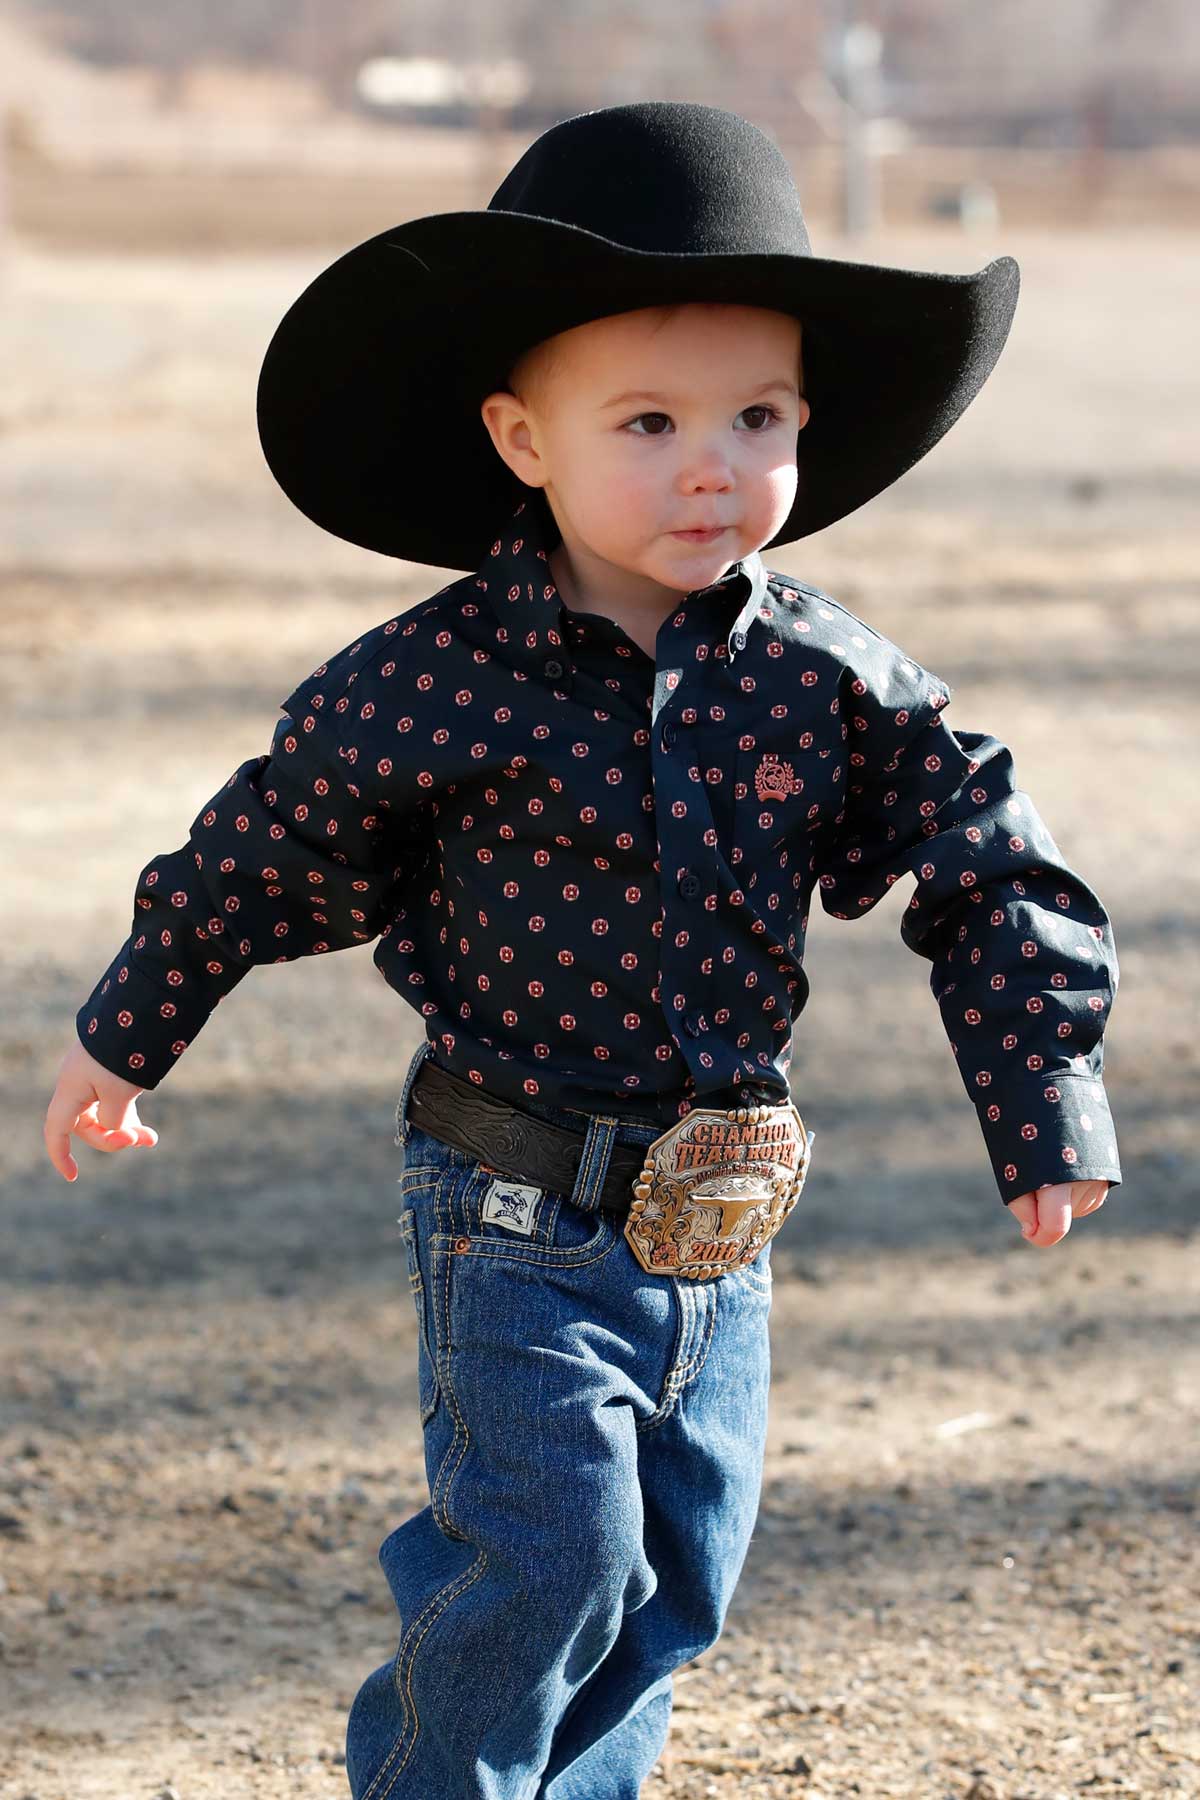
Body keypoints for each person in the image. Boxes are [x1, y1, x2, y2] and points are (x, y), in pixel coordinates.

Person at [42, 102, 1121, 1798]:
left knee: (670, 1592)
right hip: (515, 1219)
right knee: (545, 1569)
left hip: (723, 1227)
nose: (714, 463)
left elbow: (987, 856)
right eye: (649, 420)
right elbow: (266, 844)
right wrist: (131, 1028)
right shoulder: (433, 681)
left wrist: (1042, 1077)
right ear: (522, 438)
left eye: (757, 416)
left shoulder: (826, 677)